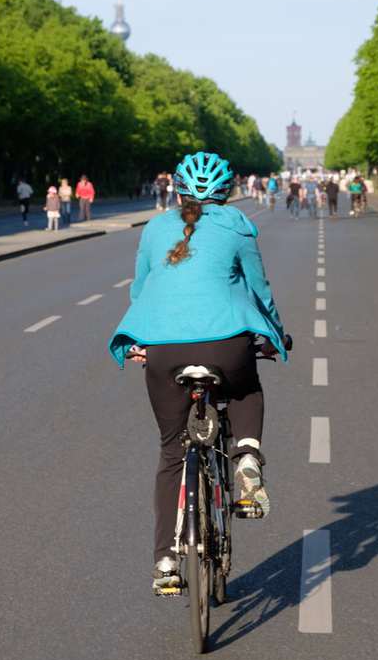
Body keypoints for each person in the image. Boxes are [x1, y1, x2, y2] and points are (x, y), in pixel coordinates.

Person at [109, 151, 288, 593]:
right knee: (246, 389)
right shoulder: (238, 227)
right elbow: (259, 290)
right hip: (227, 343)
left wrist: (139, 341)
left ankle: (166, 562)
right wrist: (276, 336)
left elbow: (140, 290)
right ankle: (246, 456)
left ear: (177, 191)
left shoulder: (154, 229)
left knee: (172, 451)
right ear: (227, 193)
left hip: (163, 349)